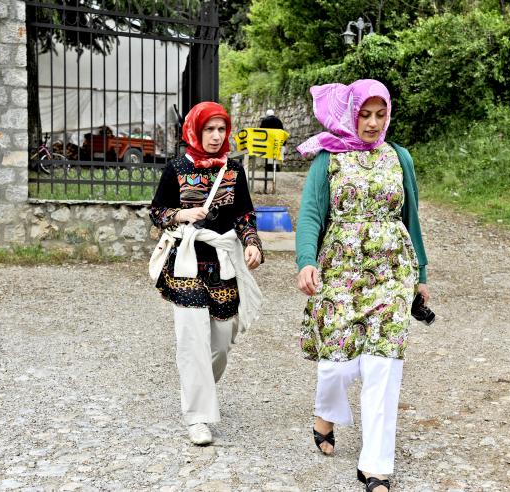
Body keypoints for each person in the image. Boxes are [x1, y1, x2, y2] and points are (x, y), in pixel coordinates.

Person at [295, 79, 430, 491]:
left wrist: (421, 276)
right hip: (340, 268)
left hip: (392, 270)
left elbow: (412, 218)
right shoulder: (328, 158)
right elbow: (311, 215)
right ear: (351, 113)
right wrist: (305, 261)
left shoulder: (400, 157)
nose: (372, 124)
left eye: (380, 114)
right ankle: (326, 412)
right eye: (364, 114)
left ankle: (376, 464)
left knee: (383, 365)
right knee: (337, 362)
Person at [150, 101, 263, 446]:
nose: (215, 136)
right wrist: (181, 216)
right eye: (209, 130)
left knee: (221, 340)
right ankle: (198, 416)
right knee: (192, 340)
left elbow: (244, 213)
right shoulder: (176, 169)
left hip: (223, 261)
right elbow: (157, 212)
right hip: (185, 261)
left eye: (220, 129)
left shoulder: (234, 170)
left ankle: (201, 389)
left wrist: (252, 243)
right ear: (195, 131)